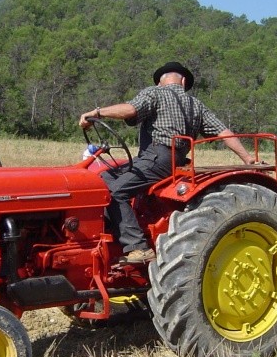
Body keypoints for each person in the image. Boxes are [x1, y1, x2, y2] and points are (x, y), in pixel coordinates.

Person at [79, 61, 257, 264]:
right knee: (104, 177)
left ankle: (137, 247)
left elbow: (130, 109)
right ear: (183, 81)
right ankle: (113, 234)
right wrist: (248, 158)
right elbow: (223, 132)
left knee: (113, 191)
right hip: (176, 159)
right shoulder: (196, 105)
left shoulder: (155, 93)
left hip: (157, 157)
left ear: (160, 81)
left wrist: (96, 112)